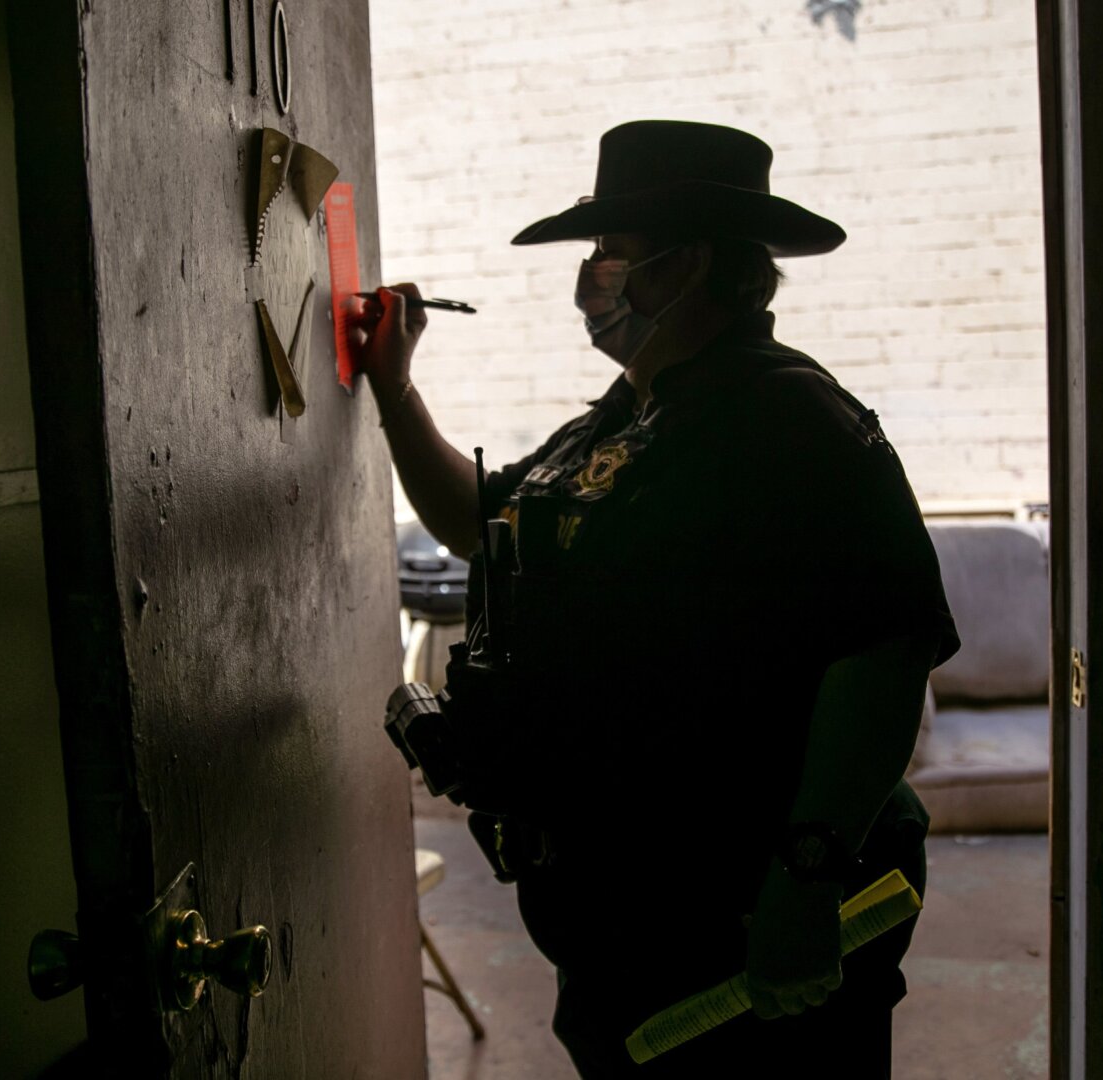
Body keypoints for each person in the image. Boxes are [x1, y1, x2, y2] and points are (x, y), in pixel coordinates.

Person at [354, 120, 959, 1077]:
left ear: (692, 265)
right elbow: (482, 524)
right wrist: (394, 390)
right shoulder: (626, 414)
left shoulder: (790, 418)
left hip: (742, 914)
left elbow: (885, 651)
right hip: (623, 922)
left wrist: (807, 878)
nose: (591, 278)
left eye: (611, 255)